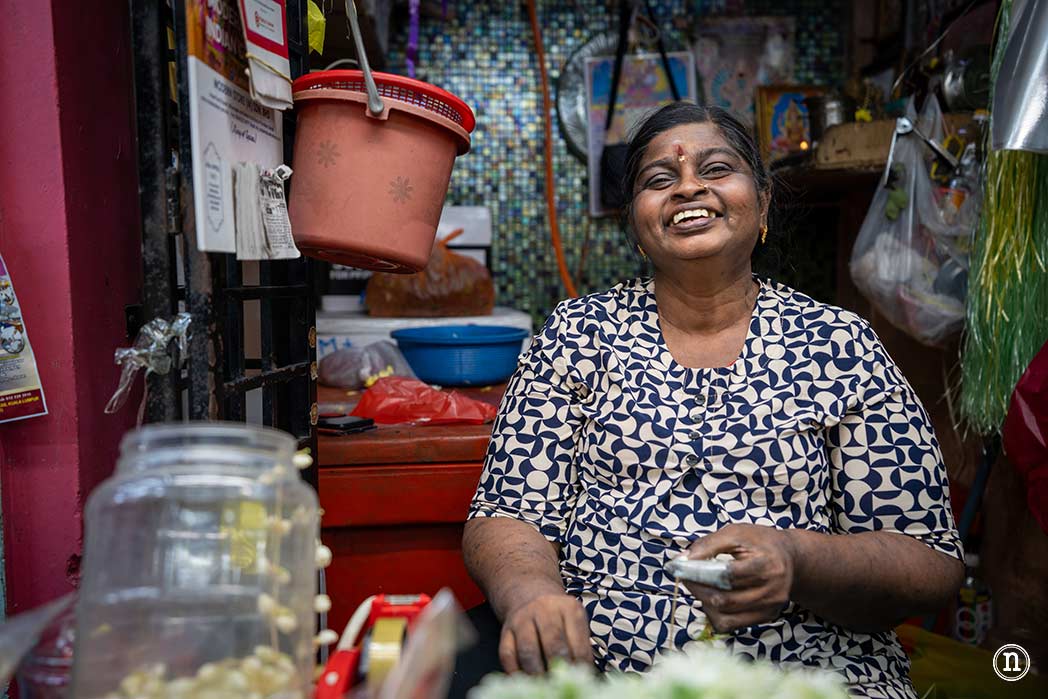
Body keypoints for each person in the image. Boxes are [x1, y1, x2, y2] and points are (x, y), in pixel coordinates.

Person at [459, 102, 963, 699]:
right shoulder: (577, 336)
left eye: (716, 168)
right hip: (604, 673)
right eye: (658, 180)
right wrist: (532, 596)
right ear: (636, 224)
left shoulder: (840, 344)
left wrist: (798, 559)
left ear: (764, 204)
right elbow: (507, 511)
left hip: (808, 675)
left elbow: (928, 560)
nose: (689, 187)